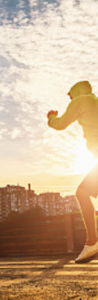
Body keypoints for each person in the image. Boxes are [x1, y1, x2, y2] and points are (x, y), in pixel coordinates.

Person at [47, 81, 98, 264]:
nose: (69, 97)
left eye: (70, 94)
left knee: (82, 192)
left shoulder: (80, 101)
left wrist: (51, 117)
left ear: (77, 91)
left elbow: (60, 124)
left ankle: (93, 242)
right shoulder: (95, 100)